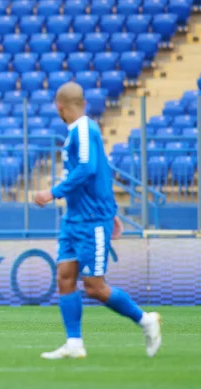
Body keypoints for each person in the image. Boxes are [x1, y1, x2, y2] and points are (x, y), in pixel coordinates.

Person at [33, 82, 162, 359]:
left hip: (91, 221)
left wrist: (52, 192)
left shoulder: (83, 128)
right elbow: (99, 172)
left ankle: (146, 320)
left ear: (60, 106)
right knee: (65, 278)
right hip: (75, 218)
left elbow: (88, 169)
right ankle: (74, 343)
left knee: (94, 286)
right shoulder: (78, 132)